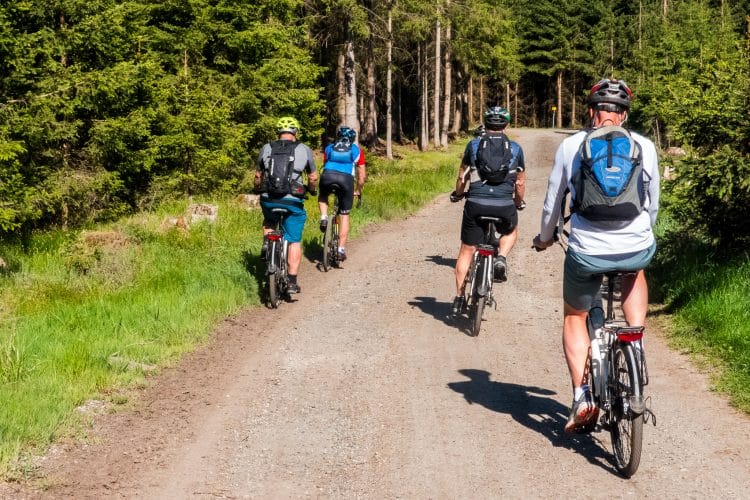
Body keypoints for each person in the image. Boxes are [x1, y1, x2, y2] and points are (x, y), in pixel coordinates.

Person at [532, 79, 660, 433]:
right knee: (635, 270)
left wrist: (545, 238)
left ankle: (583, 395)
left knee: (575, 317)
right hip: (635, 243)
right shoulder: (644, 146)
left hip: (587, 250)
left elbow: (553, 202)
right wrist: (641, 233)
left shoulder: (572, 145)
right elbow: (652, 202)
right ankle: (635, 342)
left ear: (592, 112)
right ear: (624, 115)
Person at [450, 106, 526, 315]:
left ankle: (458, 298)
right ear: (506, 125)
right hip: (504, 205)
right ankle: (501, 257)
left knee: (467, 249)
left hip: (475, 203)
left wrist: (458, 194)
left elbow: (462, 177)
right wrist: (518, 202)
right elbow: (519, 184)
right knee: (511, 230)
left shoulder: (473, 146)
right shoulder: (516, 149)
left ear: (485, 123)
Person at [254, 116, 318, 294]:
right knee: (294, 239)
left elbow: (258, 176)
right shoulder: (304, 149)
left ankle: (268, 243)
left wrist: (257, 189)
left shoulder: (266, 147)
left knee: (269, 219)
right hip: (293, 199)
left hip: (269, 197)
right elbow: (313, 177)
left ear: (279, 133)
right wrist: (311, 190)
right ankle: (291, 281)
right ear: (295, 132)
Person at [317, 125, 366, 262]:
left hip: (327, 176)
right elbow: (361, 175)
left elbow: (326, 164)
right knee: (344, 215)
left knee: (323, 196)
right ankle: (340, 250)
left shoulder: (329, 148)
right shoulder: (356, 150)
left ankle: (324, 217)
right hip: (346, 181)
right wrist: (358, 189)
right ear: (353, 138)